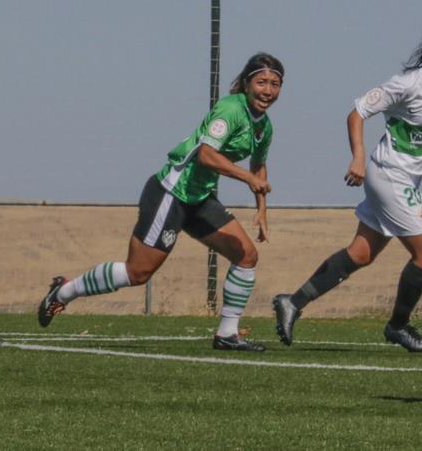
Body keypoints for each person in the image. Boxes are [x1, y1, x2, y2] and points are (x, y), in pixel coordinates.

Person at [272, 19, 422, 352]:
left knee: (361, 253)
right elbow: (356, 113)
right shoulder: (406, 84)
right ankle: (398, 326)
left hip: (406, 179)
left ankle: (292, 302)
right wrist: (357, 157)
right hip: (388, 175)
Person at [37, 52, 282, 352]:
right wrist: (247, 179)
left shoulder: (264, 127)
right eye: (261, 82)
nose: (267, 90)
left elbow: (259, 166)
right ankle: (63, 292)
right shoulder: (230, 109)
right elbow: (206, 154)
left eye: (275, 84)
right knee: (137, 273)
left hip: (200, 199)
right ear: (246, 83)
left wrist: (262, 210)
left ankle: (227, 334)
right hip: (171, 193)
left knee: (246, 256)